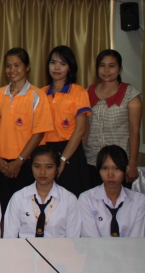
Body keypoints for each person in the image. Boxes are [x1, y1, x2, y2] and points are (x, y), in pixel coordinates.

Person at [0, 47, 54, 214]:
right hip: (0, 165)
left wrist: (19, 161)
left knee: (26, 213)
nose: (12, 70)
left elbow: (38, 133)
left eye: (17, 65)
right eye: (8, 66)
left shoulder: (37, 95)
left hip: (25, 164)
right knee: (0, 211)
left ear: (27, 67)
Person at [84, 49, 142, 188]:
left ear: (120, 69)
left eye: (111, 66)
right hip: (91, 161)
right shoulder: (87, 92)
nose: (106, 70)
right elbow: (83, 129)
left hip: (118, 163)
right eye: (102, 65)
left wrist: (132, 163)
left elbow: (134, 131)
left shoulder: (130, 94)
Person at [41, 46, 92, 197]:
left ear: (70, 67)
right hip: (46, 151)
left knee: (72, 199)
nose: (57, 67)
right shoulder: (41, 93)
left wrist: (63, 159)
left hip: (70, 151)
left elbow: (80, 129)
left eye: (63, 63)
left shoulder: (78, 91)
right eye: (53, 62)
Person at [4, 145, 81, 238]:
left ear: (57, 168)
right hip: (24, 247)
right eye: (37, 166)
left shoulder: (69, 199)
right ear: (31, 167)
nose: (42, 172)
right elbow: (9, 237)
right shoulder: (19, 197)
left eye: (49, 167)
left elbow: (73, 239)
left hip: (58, 247)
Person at [78, 145, 145, 237]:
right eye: (105, 168)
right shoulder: (86, 199)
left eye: (116, 168)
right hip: (95, 247)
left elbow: (137, 239)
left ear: (126, 170)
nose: (110, 174)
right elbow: (91, 240)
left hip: (130, 247)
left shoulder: (138, 200)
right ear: (98, 170)